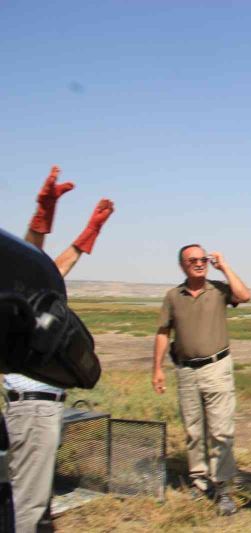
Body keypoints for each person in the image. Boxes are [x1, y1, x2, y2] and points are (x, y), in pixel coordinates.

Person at [3, 165, 114, 533]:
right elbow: (30, 266)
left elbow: (51, 269)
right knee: (27, 509)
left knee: (32, 498)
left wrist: (89, 232)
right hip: (31, 406)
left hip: (39, 408)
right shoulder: (18, 302)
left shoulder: (33, 299)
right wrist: (43, 216)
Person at [151, 244, 251, 516]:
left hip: (216, 368)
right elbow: (163, 333)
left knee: (220, 431)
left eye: (203, 259)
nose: (199, 263)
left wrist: (225, 267)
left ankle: (223, 488)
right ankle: (198, 481)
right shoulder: (173, 296)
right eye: (192, 260)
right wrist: (157, 369)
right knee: (194, 431)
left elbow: (245, 295)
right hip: (185, 372)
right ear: (182, 265)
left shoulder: (218, 290)